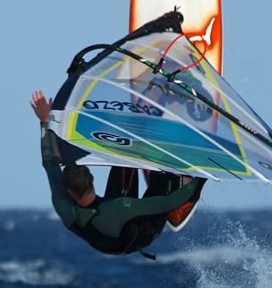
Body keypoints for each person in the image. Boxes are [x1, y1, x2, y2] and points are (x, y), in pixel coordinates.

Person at [30, 90, 204, 259]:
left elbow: (49, 165)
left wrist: (46, 121)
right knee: (166, 173)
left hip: (112, 222)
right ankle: (174, 178)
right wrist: (203, 176)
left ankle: (144, 118)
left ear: (69, 191)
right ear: (92, 178)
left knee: (122, 155)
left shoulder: (65, 207)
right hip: (140, 233)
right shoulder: (121, 207)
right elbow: (171, 202)